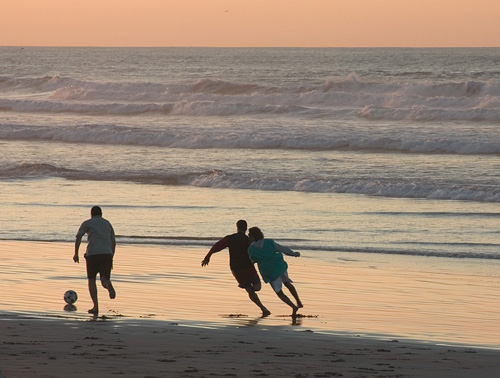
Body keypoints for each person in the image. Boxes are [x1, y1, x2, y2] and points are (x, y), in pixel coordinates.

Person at [202, 220, 270, 317]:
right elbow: (259, 250)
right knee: (257, 286)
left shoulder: (230, 238)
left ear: (237, 227)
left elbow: (217, 246)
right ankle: (262, 307)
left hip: (236, 269)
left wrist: (208, 256)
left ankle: (259, 303)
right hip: (247, 267)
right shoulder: (248, 240)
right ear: (246, 228)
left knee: (250, 290)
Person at [247, 226, 303, 318]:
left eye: (249, 236)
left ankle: (293, 306)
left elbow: (252, 261)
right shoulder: (269, 242)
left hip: (270, 271)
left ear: (253, 237)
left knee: (279, 292)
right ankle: (298, 301)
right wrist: (294, 254)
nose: (248, 238)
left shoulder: (251, 249)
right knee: (287, 283)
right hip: (279, 265)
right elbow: (283, 249)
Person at [74, 206, 116, 316]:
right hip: (106, 254)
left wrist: (76, 254)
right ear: (101, 214)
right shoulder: (107, 223)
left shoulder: (87, 223)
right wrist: (111, 257)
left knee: (92, 280)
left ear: (91, 214)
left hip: (92, 254)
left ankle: (95, 306)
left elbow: (79, 237)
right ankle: (108, 285)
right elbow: (113, 242)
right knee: (103, 280)